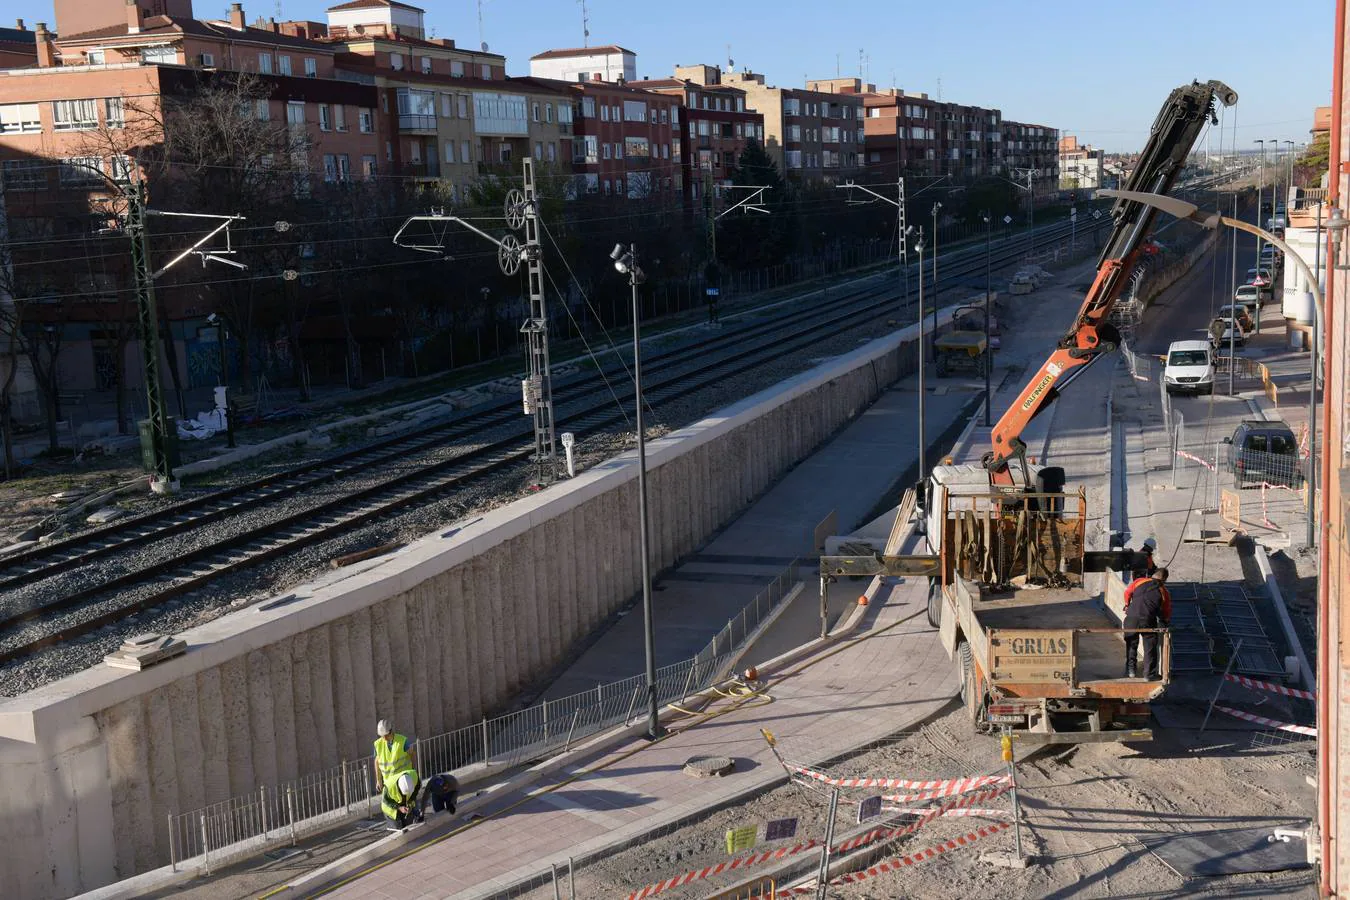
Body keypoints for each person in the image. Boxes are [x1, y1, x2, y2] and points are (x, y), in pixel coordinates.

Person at [1123, 567, 1172, 680]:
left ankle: (1130, 671)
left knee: (1131, 644)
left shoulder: (1139, 581)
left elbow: (1127, 592)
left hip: (1131, 618)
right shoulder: (1163, 590)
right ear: (1164, 579)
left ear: (1153, 575)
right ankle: (1149, 675)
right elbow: (1166, 610)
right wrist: (1165, 621)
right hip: (1147, 620)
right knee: (1150, 646)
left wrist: (1127, 604)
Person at [373, 719, 417, 792]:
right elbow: (377, 762)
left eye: (386, 735)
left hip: (404, 781)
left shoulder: (402, 741)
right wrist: (378, 780)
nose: (384, 738)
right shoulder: (377, 745)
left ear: (390, 731)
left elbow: (412, 755)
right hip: (389, 784)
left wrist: (413, 772)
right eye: (382, 736)